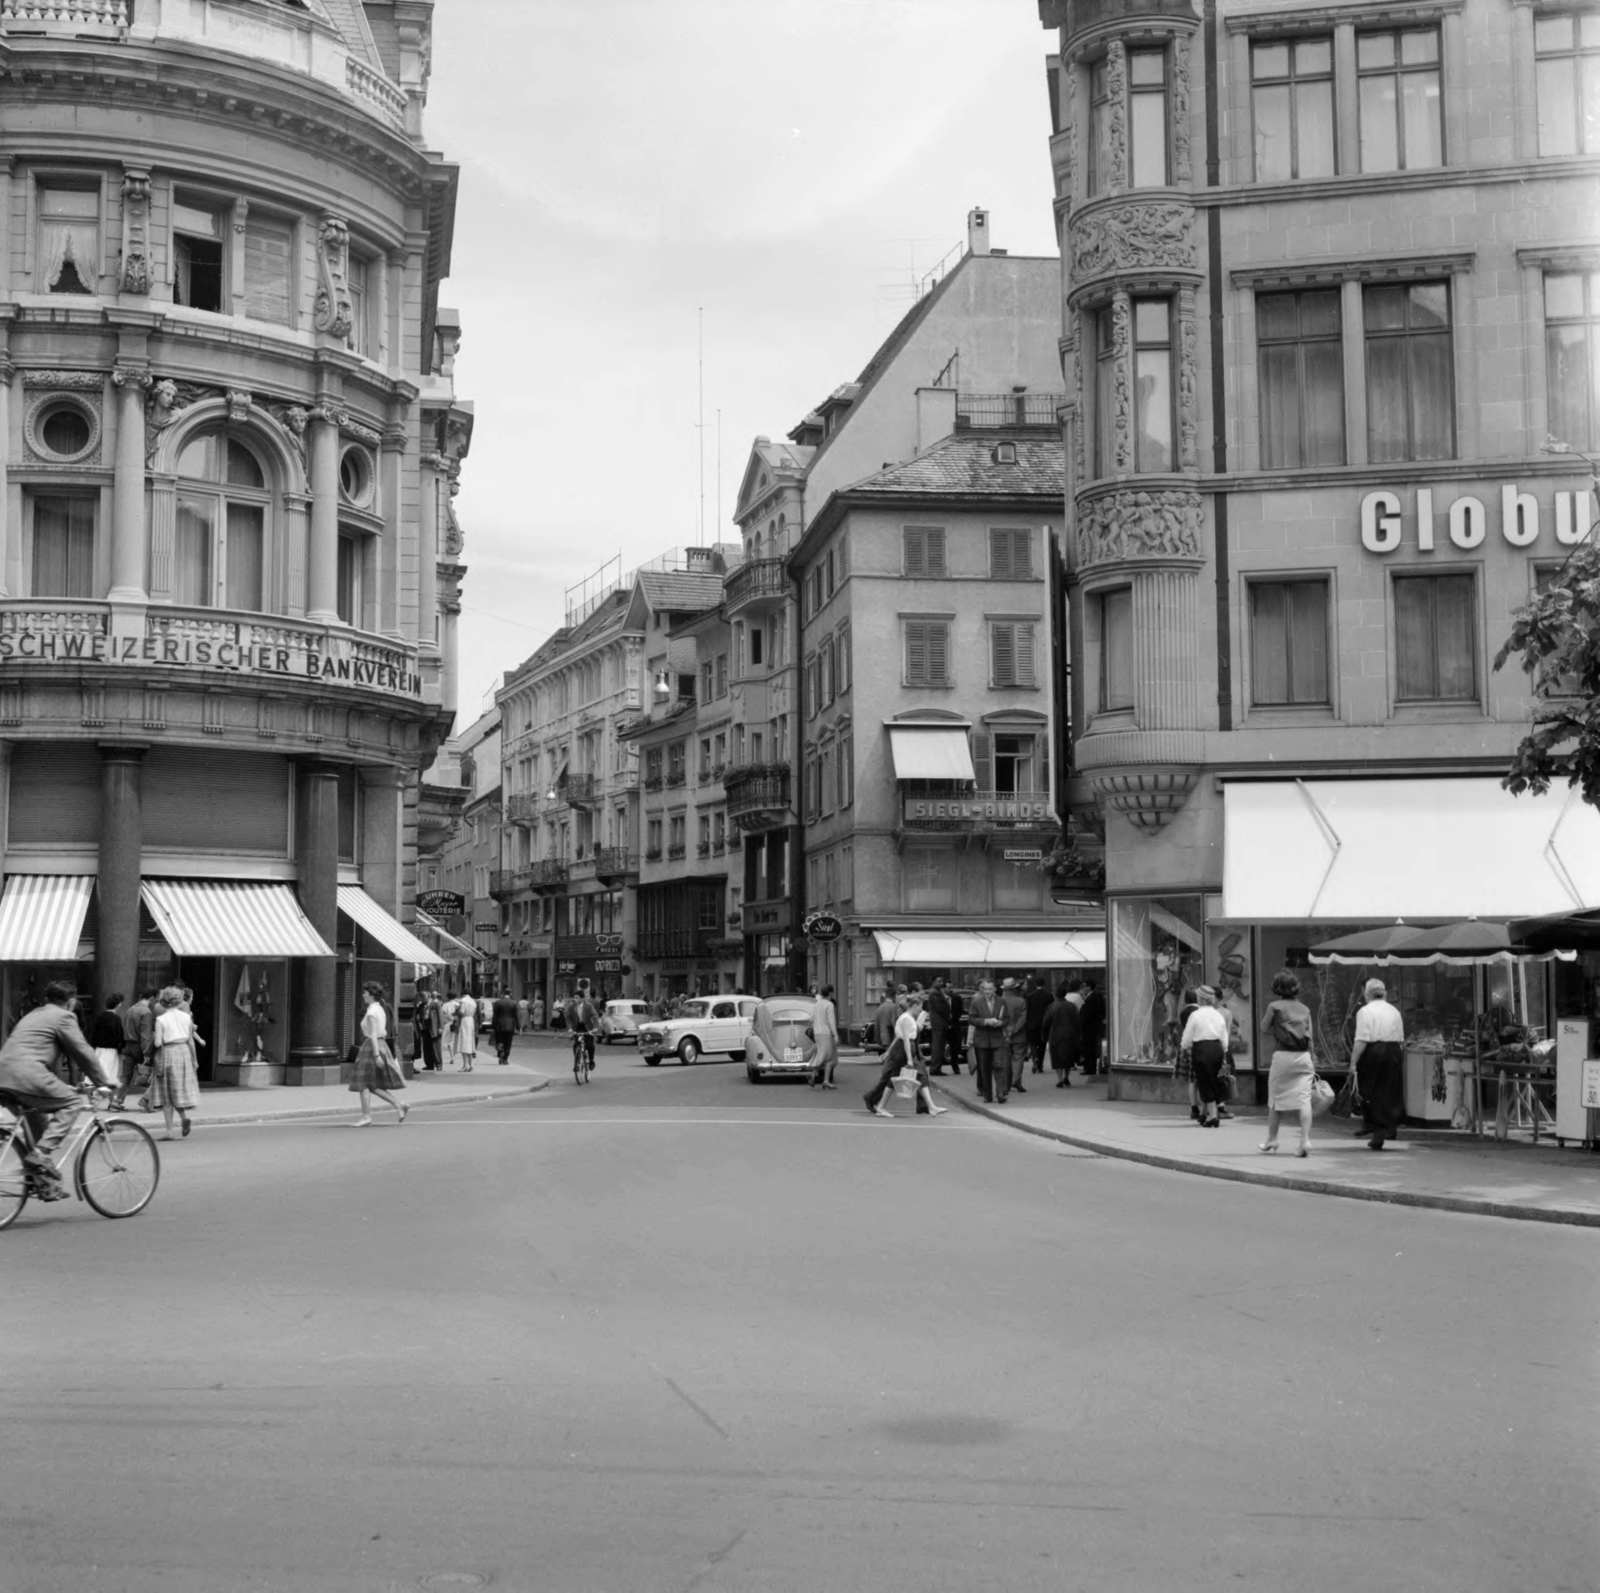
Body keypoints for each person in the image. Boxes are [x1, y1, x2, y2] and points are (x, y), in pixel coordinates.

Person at [0, 981, 112, 1200]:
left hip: (4, 1074)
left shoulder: (34, 1014)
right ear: (71, 1002)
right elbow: (82, 1051)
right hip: (26, 1075)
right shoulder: (64, 1017)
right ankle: (40, 1154)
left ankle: (44, 1184)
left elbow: (32, 1048)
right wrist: (102, 1082)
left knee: (37, 1121)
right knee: (73, 1103)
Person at [1259, 969, 1315, 1157]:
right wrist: (1313, 1060)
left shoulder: (1274, 1006)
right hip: (1303, 1057)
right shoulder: (1305, 1009)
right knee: (1304, 1100)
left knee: (1275, 1099)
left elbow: (1264, 1027)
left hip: (1283, 1056)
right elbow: (1311, 1037)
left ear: (1277, 988)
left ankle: (1272, 1139)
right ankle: (1305, 1140)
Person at [863, 995, 946, 1118]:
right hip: (905, 1050)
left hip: (903, 1049)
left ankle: (931, 1107)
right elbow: (905, 1039)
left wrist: (889, 1051)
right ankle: (881, 1106)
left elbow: (898, 1036)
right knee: (904, 1077)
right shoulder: (907, 1019)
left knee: (915, 1076)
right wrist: (909, 1059)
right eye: (920, 1007)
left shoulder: (906, 1018)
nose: (921, 1010)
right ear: (914, 1005)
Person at [1350, 978, 1405, 1151]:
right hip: (1394, 1050)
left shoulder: (1365, 1011)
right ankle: (1389, 1125)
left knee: (1370, 1089)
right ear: (1384, 993)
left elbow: (1361, 1040)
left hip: (1373, 1050)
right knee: (1390, 1089)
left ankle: (1376, 1128)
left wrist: (1353, 1063)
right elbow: (1401, 1039)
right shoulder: (1394, 1010)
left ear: (1367, 994)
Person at [350, 981, 407, 1126]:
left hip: (371, 1046)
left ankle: (366, 1116)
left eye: (365, 992)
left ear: (370, 995)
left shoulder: (371, 1012)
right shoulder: (380, 1008)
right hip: (381, 1045)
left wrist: (376, 1056)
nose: (363, 995)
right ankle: (398, 1105)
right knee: (372, 1085)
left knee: (362, 1083)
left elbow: (373, 1034)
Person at [149, 986, 201, 1141]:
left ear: (163, 1001)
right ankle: (184, 1117)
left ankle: (170, 1131)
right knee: (177, 1092)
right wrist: (194, 1060)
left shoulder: (161, 1019)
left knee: (166, 1096)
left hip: (168, 1053)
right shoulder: (187, 1018)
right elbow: (191, 1040)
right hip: (184, 1052)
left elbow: (158, 1043)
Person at [1179, 986, 1230, 1127]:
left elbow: (1187, 1035)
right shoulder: (1218, 1015)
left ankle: (1213, 1116)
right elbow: (1224, 1036)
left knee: (1204, 1082)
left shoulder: (1195, 1015)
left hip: (1201, 1049)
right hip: (1217, 1048)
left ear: (1201, 999)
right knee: (1212, 1080)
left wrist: (1183, 1048)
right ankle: (1206, 1114)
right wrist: (1224, 1050)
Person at [967, 978, 1008, 1104]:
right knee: (984, 1068)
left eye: (990, 989)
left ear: (995, 989)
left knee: (999, 1065)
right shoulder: (977, 1002)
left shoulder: (1001, 1001)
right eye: (985, 989)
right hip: (982, 1039)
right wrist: (985, 1021)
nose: (987, 991)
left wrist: (1001, 1023)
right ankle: (987, 1095)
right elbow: (972, 1019)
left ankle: (1000, 1093)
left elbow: (1007, 1019)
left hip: (997, 1038)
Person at [118, 986, 156, 1110]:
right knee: (157, 1075)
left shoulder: (130, 1009)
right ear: (152, 997)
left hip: (127, 1045)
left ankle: (117, 1101)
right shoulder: (146, 1012)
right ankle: (148, 1100)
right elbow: (146, 1035)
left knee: (125, 1076)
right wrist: (147, 1054)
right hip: (139, 1047)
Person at [1043, 981, 1081, 1088]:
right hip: (1070, 1034)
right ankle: (1066, 1077)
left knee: (1057, 1057)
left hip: (1055, 1034)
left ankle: (1059, 1079)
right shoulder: (1072, 1006)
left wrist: (1044, 1035)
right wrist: (1078, 1034)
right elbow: (1077, 1021)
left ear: (1055, 994)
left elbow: (1046, 1022)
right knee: (1068, 1056)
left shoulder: (1052, 1007)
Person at [88, 992, 125, 1096]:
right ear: (118, 1005)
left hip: (99, 1049)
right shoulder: (116, 1019)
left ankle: (95, 1092)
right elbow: (119, 1035)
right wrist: (121, 1047)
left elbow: (94, 1034)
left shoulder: (100, 1017)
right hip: (111, 1050)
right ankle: (110, 1100)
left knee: (100, 1070)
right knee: (111, 1074)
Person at [1001, 977, 1029, 1098]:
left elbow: (998, 1018)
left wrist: (1007, 1031)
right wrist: (1014, 1030)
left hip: (1003, 1035)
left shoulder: (999, 1001)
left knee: (1006, 1061)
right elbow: (1023, 1019)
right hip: (1019, 1035)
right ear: (1014, 988)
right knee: (1018, 1059)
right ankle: (1015, 1081)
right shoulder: (1021, 1001)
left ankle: (1008, 1084)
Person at [810, 983, 840, 1089]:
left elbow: (811, 1019)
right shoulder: (829, 1005)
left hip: (817, 1033)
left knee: (828, 1058)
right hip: (826, 1033)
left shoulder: (816, 1005)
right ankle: (812, 1074)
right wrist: (836, 1035)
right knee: (825, 1057)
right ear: (830, 993)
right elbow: (832, 1021)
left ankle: (826, 1080)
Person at [565, 985, 599, 1073]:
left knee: (590, 1045)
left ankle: (591, 1061)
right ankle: (576, 1064)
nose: (575, 1000)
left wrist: (595, 1028)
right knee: (576, 1045)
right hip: (577, 1027)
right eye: (574, 998)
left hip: (587, 1027)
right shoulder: (571, 1007)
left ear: (582, 998)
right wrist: (569, 1028)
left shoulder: (588, 1006)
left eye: (577, 998)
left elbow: (595, 1017)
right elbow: (567, 1017)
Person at [924, 977, 953, 1075]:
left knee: (940, 1046)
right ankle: (935, 1068)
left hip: (940, 1022)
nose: (941, 983)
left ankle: (937, 1068)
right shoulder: (935, 992)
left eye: (942, 981)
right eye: (939, 981)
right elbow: (941, 1008)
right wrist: (948, 1016)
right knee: (938, 1045)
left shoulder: (938, 991)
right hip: (939, 1022)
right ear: (933, 982)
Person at [1078, 978, 1106, 1077]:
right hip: (1094, 1027)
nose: (1083, 989)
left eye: (1084, 986)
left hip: (1089, 1028)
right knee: (1092, 1048)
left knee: (1089, 1048)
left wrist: (1081, 1024)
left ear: (1089, 987)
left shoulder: (1091, 998)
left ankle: (1090, 1068)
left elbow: (1087, 1014)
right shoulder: (1096, 996)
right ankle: (1090, 1067)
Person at [492, 989, 519, 1064]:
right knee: (508, 1042)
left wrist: (493, 1026)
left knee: (499, 1039)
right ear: (510, 994)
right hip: (510, 1025)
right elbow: (516, 1016)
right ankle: (505, 1058)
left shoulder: (497, 1003)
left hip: (499, 1024)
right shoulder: (514, 1003)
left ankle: (501, 1051)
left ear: (503, 994)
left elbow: (495, 1016)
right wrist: (518, 1026)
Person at [947, 984, 967, 1075]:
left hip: (955, 1024)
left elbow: (960, 1010)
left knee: (956, 1046)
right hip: (944, 1025)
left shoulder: (957, 998)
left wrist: (954, 1019)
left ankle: (955, 1065)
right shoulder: (941, 998)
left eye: (951, 987)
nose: (950, 989)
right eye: (948, 987)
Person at [455, 993, 478, 1072]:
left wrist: (456, 1011)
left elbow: (462, 1011)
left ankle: (465, 1065)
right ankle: (471, 1064)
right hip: (471, 1020)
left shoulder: (463, 1000)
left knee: (464, 1042)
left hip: (465, 1020)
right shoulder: (473, 1001)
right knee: (470, 1042)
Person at [873, 989, 898, 1053]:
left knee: (887, 1057)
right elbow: (894, 1022)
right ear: (894, 996)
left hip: (882, 1037)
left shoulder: (879, 1008)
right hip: (891, 1037)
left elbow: (876, 1025)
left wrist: (877, 1037)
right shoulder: (894, 1007)